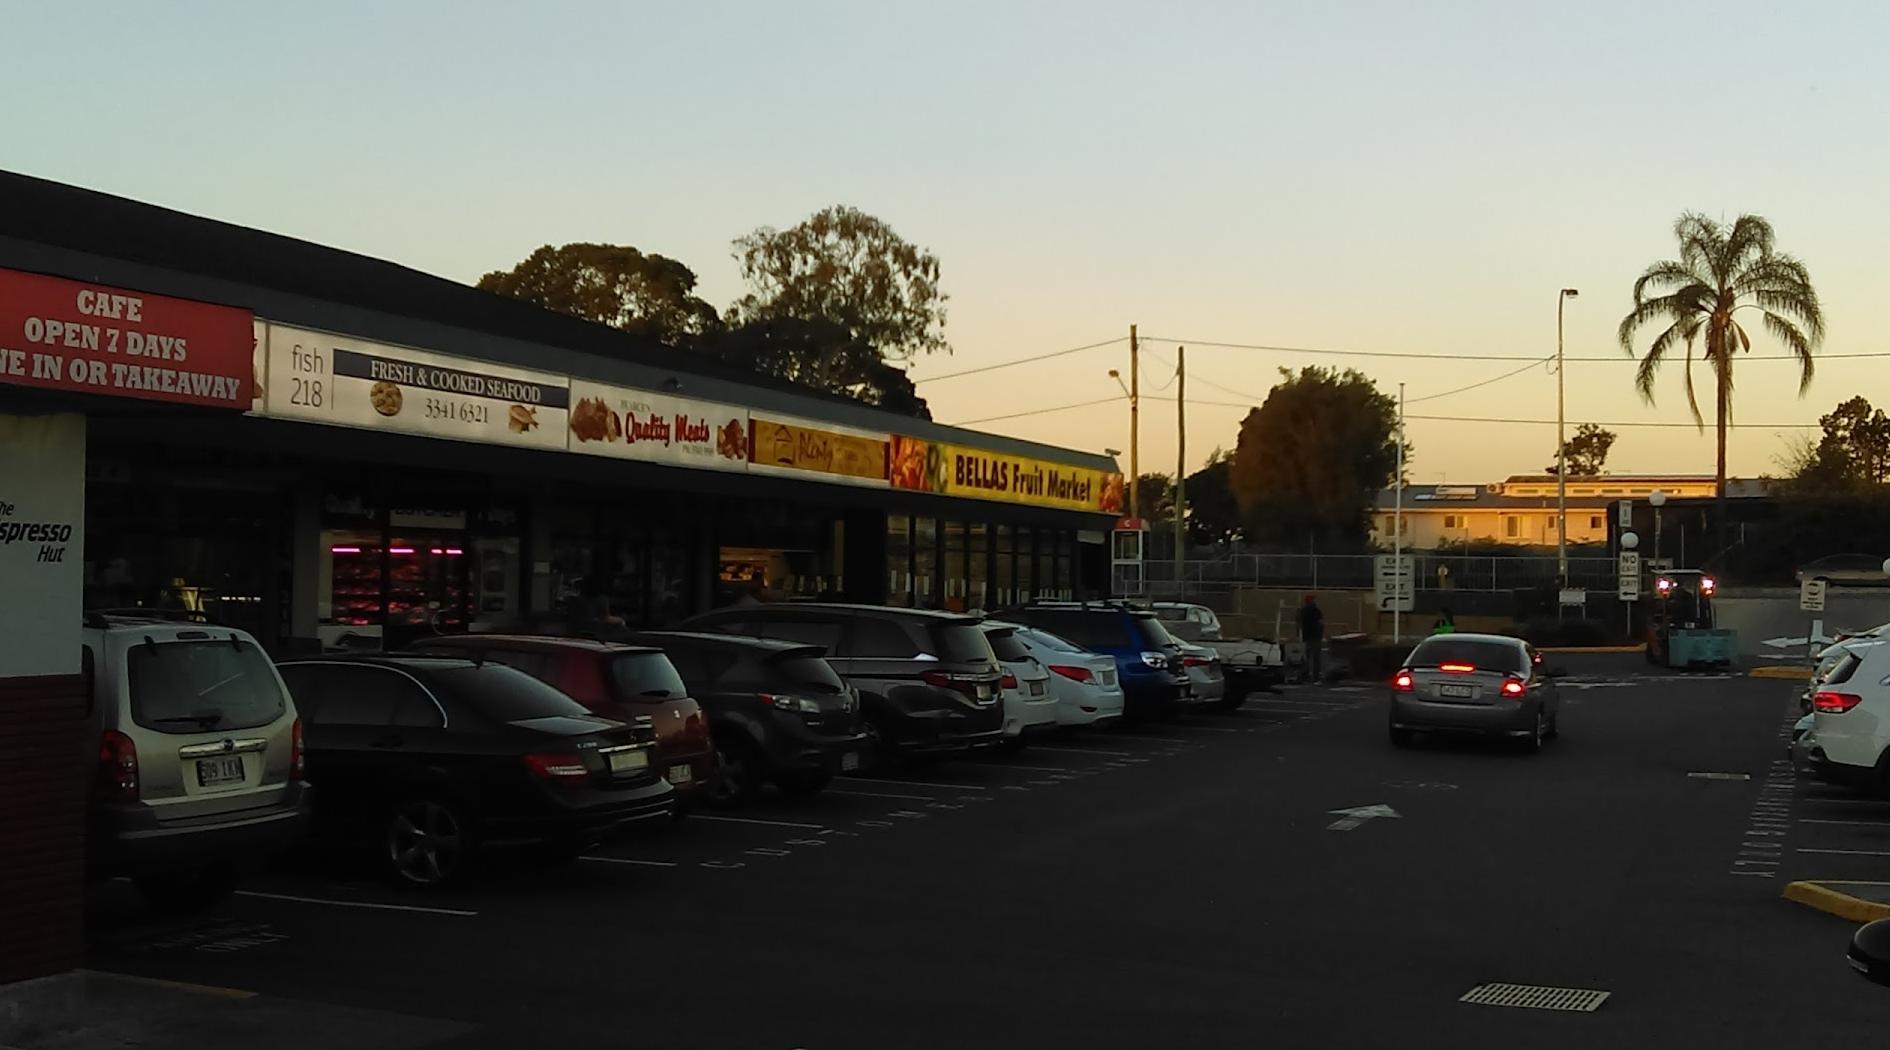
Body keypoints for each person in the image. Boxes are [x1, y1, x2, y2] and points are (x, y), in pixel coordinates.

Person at [1297, 594, 1325, 682]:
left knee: (1306, 657)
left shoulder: (1303, 611)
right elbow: (1321, 623)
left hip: (1306, 636)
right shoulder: (1316, 611)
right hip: (1316, 636)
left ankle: (1304, 674)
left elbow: (1299, 623)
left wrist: (1298, 634)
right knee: (1316, 658)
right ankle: (1316, 675)